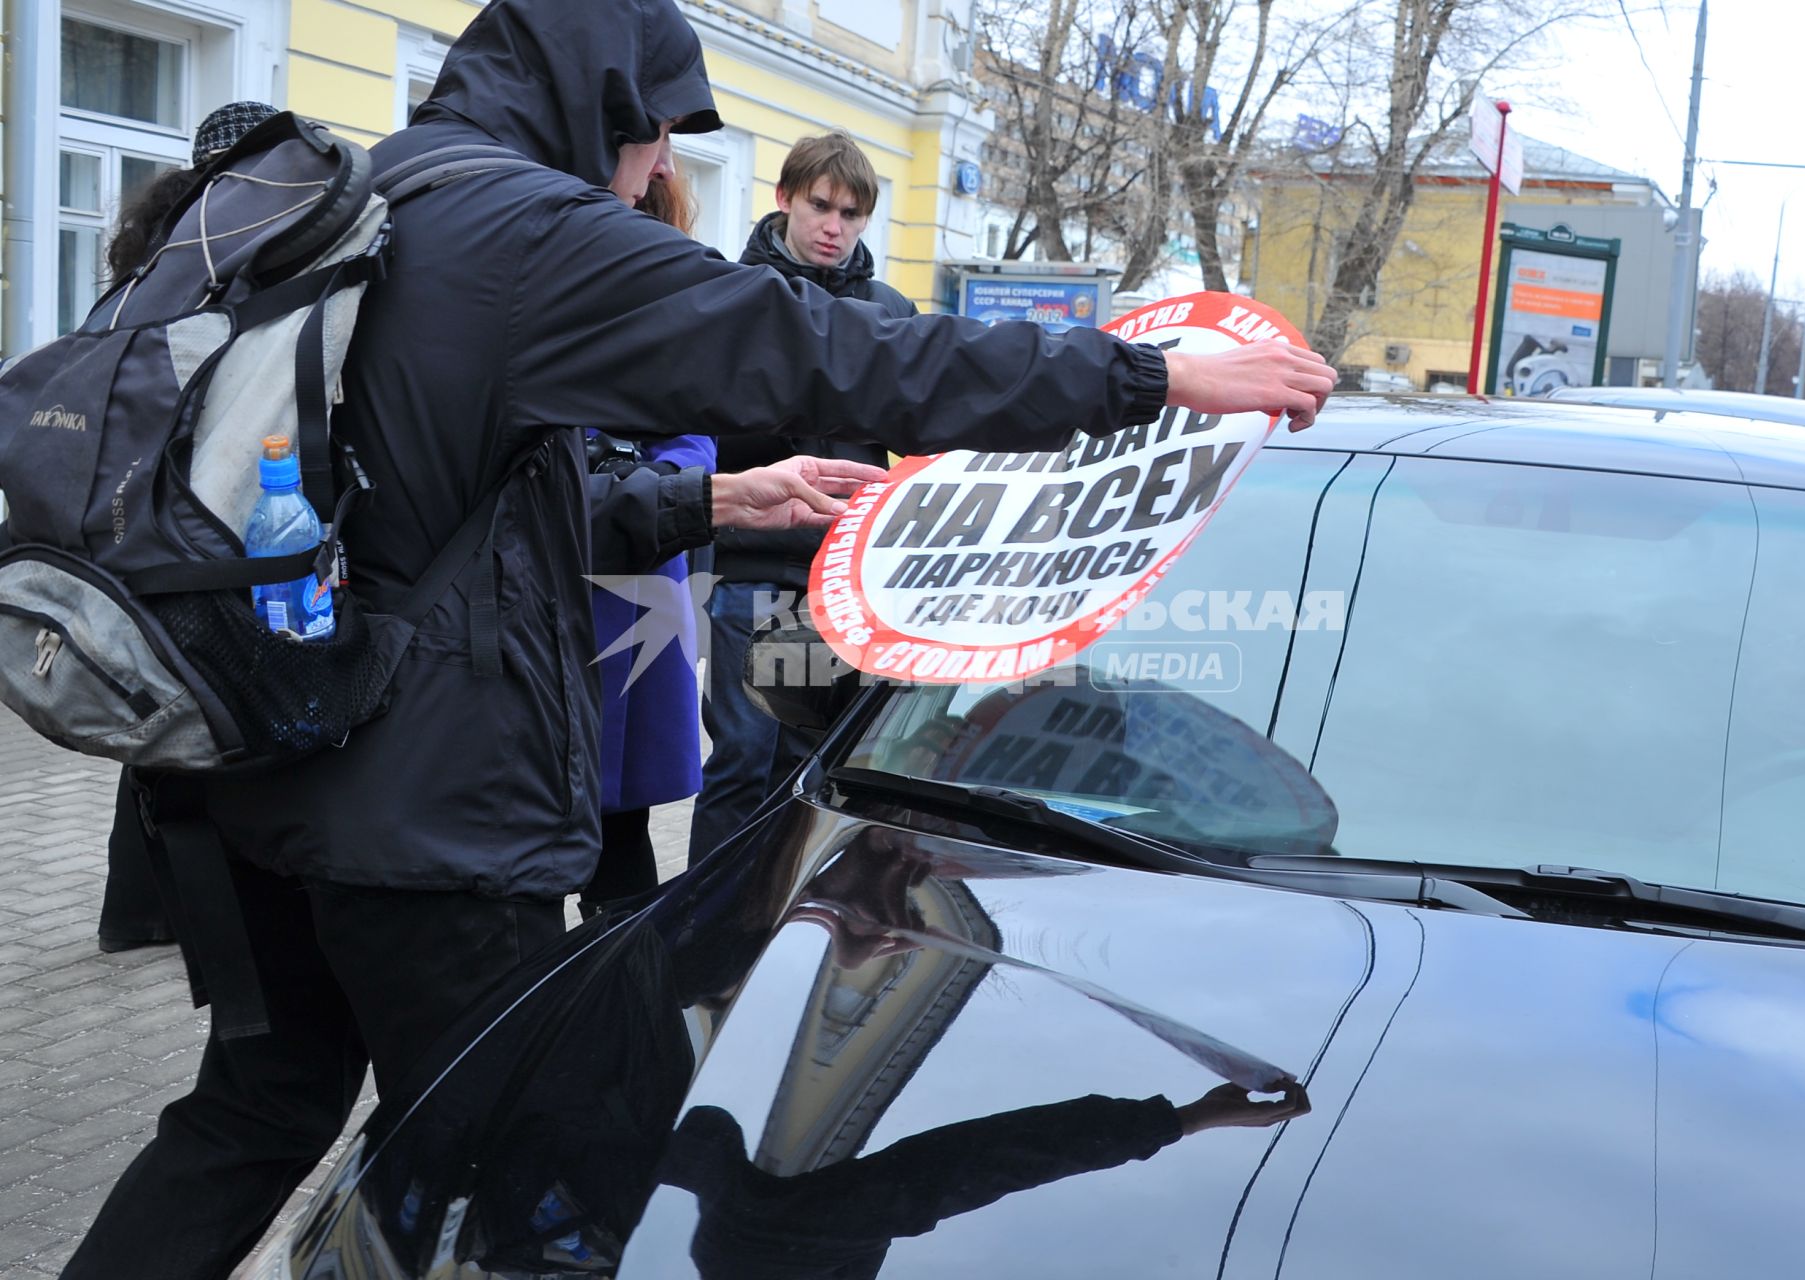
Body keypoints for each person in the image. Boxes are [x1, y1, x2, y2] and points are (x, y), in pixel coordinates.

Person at [58, 1, 1336, 1274]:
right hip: (423, 824)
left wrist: (713, 498)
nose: (660, 167)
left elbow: (431, 500)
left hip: (237, 765)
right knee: (524, 1171)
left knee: (252, 1111)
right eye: (658, 133)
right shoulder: (535, 230)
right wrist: (1143, 379)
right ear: (607, 106)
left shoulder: (375, 192)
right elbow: (835, 350)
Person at [688, 131, 911, 867]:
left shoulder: (888, 308)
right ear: (784, 198)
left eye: (851, 213)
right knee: (742, 758)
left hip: (845, 579)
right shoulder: (731, 293)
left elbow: (919, 420)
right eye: (820, 205)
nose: (834, 226)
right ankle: (703, 927)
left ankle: (784, 915)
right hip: (751, 564)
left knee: (811, 767)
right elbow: (699, 422)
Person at [94, 100, 281, 955]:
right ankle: (201, 918)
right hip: (207, 516)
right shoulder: (245, 251)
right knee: (207, 717)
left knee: (160, 718)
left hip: (135, 516)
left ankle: (137, 912)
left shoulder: (153, 256)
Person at [582, 173, 713, 915]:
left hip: (632, 583)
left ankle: (621, 994)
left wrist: (634, 475)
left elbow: (694, 443)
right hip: (534, 581)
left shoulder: (668, 308)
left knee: (621, 829)